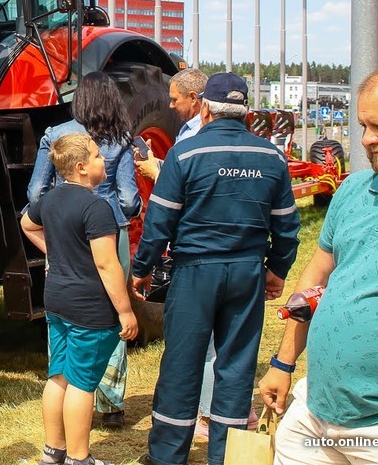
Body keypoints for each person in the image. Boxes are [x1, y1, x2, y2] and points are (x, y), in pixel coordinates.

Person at [259, 62, 378, 464]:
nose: (367, 139)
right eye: (363, 126)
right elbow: (316, 278)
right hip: (313, 416)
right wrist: (283, 362)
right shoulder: (354, 189)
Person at [131, 72, 300, 465]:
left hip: (195, 272)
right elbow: (287, 225)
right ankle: (227, 456)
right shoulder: (271, 157)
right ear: (246, 113)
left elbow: (160, 221)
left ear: (204, 106)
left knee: (181, 364)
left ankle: (167, 456)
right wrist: (276, 268)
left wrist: (142, 267)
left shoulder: (185, 153)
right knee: (236, 366)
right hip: (247, 272)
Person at [28, 71, 141, 428]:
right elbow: (127, 198)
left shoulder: (55, 135)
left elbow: (34, 194)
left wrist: (55, 227)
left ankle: (66, 393)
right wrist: (123, 213)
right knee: (111, 316)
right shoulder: (119, 138)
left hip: (63, 233)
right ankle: (110, 403)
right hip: (108, 233)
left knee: (65, 325)